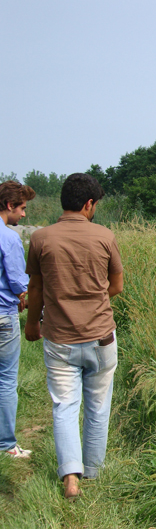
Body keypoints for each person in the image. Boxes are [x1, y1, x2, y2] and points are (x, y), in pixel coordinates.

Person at [25, 173, 123, 500]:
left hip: (59, 338)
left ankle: (71, 477)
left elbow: (36, 289)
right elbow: (117, 286)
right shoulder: (104, 236)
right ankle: (93, 472)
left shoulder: (41, 238)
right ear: (88, 204)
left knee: (64, 406)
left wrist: (32, 325)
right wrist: (92, 301)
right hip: (101, 338)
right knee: (98, 405)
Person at [0, 181, 36, 459]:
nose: (23, 215)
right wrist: (26, 296)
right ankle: (6, 445)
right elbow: (16, 281)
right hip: (3, 316)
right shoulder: (9, 238)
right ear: (10, 205)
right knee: (6, 380)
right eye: (22, 208)